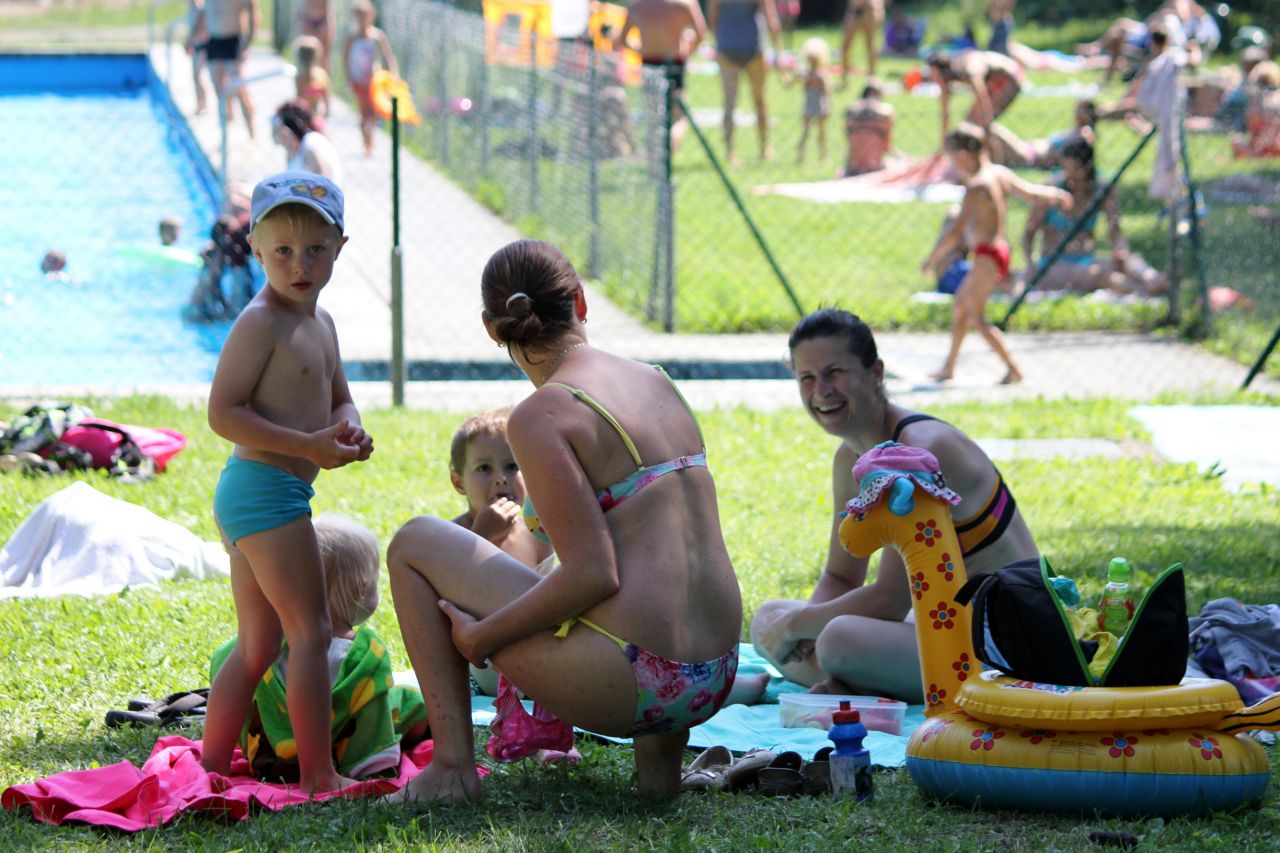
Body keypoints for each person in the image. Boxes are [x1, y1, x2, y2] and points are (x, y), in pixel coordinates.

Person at [385, 240, 742, 802]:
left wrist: (482, 636)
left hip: (639, 681)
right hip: (715, 671)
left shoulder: (542, 414)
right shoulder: (656, 380)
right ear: (580, 301)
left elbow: (593, 574)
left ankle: (452, 769)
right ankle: (659, 780)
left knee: (414, 541)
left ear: (492, 328)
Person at [749, 308, 1041, 702]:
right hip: (939, 622)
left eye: (834, 372)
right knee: (769, 618)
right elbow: (840, 576)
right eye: (807, 378)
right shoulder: (850, 458)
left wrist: (799, 627)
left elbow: (889, 599)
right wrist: (799, 635)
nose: (821, 390)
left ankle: (854, 679)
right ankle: (857, 680)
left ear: (876, 372)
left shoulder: (919, 451)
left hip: (1007, 644)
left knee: (835, 638)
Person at [201, 171, 374, 794]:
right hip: (264, 490)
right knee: (312, 632)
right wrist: (307, 447)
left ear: (340, 248)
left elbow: (339, 396)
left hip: (260, 494)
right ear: (255, 249)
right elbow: (223, 413)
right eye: (282, 250)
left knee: (258, 645)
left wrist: (349, 429)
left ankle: (210, 767)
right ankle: (320, 775)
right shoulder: (261, 322)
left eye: (315, 249)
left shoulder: (319, 321)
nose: (299, 264)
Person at [209, 515, 429, 781]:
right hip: (339, 758)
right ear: (362, 590)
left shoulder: (260, 645)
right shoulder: (365, 655)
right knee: (412, 702)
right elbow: (373, 718)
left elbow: (225, 668)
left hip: (267, 761)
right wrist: (375, 765)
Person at [920, 123, 1072, 384]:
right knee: (961, 307)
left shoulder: (976, 186)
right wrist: (1055, 195)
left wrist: (932, 259)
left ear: (965, 154)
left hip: (986, 257)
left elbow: (955, 232)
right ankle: (949, 367)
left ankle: (1013, 369)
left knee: (976, 316)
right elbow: (1030, 193)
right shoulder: (998, 173)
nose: (954, 165)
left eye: (953, 158)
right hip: (996, 252)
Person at [1020, 135, 1164, 297]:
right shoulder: (1050, 191)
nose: (1070, 176)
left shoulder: (1100, 191)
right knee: (1103, 276)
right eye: (1067, 170)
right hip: (1054, 264)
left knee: (1130, 262)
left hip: (1087, 259)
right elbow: (1028, 234)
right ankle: (1143, 290)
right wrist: (1031, 264)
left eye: (1076, 170)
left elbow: (1115, 230)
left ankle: (1152, 280)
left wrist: (1120, 250)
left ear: (1088, 167)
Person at [619, 0, 706, 154]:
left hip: (649, 63)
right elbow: (701, 34)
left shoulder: (637, 6)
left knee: (654, 114)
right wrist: (687, 52)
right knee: (678, 116)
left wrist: (641, 49)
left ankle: (656, 157)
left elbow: (622, 40)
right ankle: (667, 150)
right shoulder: (684, 4)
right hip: (675, 62)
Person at [708, 0, 782, 164]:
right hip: (753, 47)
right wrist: (779, 53)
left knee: (730, 101)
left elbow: (712, 21)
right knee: (759, 100)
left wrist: (720, 41)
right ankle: (764, 148)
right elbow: (772, 20)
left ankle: (730, 152)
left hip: (728, 47)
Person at [927, 49, 1025, 147]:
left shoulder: (970, 69)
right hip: (992, 84)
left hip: (1011, 77)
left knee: (978, 123)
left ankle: (1015, 150)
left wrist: (987, 123)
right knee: (968, 125)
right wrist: (943, 145)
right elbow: (945, 113)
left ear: (943, 71)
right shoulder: (944, 79)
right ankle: (981, 149)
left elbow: (983, 98)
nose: (934, 80)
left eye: (935, 77)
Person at [192, 0, 258, 137]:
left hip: (232, 41)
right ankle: (225, 134)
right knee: (219, 91)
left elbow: (253, 13)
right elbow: (203, 13)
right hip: (214, 41)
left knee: (239, 89)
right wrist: (192, 37)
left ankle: (252, 132)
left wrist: (247, 42)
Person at [344, 0, 397, 157]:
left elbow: (388, 57)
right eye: (358, 16)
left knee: (373, 112)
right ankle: (366, 142)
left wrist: (393, 73)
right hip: (359, 79)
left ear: (371, 16)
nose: (361, 20)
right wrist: (349, 77)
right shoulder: (352, 38)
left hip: (374, 81)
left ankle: (370, 134)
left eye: (364, 16)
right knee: (363, 111)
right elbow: (345, 59)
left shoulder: (377, 36)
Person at [986, 99, 1097, 170]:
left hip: (1030, 157)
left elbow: (1087, 142)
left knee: (992, 128)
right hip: (1027, 148)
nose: (1077, 114)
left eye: (1081, 111)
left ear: (1089, 114)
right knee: (988, 140)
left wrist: (1096, 118)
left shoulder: (1084, 133)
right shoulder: (1073, 132)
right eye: (1077, 110)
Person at [784, 37, 832, 163]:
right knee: (817, 133)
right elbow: (828, 91)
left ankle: (806, 156)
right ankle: (819, 156)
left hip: (812, 105)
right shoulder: (817, 75)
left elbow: (790, 83)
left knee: (809, 132)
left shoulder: (809, 74)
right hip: (817, 105)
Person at [272, 100, 342, 184]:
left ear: (288, 130)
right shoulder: (295, 149)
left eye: (278, 126)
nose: (275, 130)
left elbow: (324, 181)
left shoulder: (309, 145)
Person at [842, 77, 894, 176]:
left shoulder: (850, 111)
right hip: (875, 168)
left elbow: (849, 141)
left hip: (852, 168)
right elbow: (886, 146)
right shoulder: (885, 113)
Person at [839, 0, 884, 85]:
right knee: (845, 46)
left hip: (869, 10)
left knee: (870, 45)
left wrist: (877, 7)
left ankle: (872, 76)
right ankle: (845, 76)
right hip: (855, 11)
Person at [292, 35, 331, 126]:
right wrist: (325, 115)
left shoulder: (299, 76)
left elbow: (298, 99)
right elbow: (326, 99)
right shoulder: (321, 75)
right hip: (316, 116)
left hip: (302, 117)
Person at [184, 0, 211, 115]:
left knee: (197, 75)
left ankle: (203, 105)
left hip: (201, 46)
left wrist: (190, 39)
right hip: (196, 45)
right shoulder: (191, 5)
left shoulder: (197, 5)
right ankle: (200, 104)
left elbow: (201, 24)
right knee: (196, 76)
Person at [296, 0, 334, 72]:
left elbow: (327, 7)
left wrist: (326, 24)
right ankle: (304, 76)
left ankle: (324, 77)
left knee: (324, 56)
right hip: (307, 19)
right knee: (305, 52)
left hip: (322, 20)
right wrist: (303, 21)